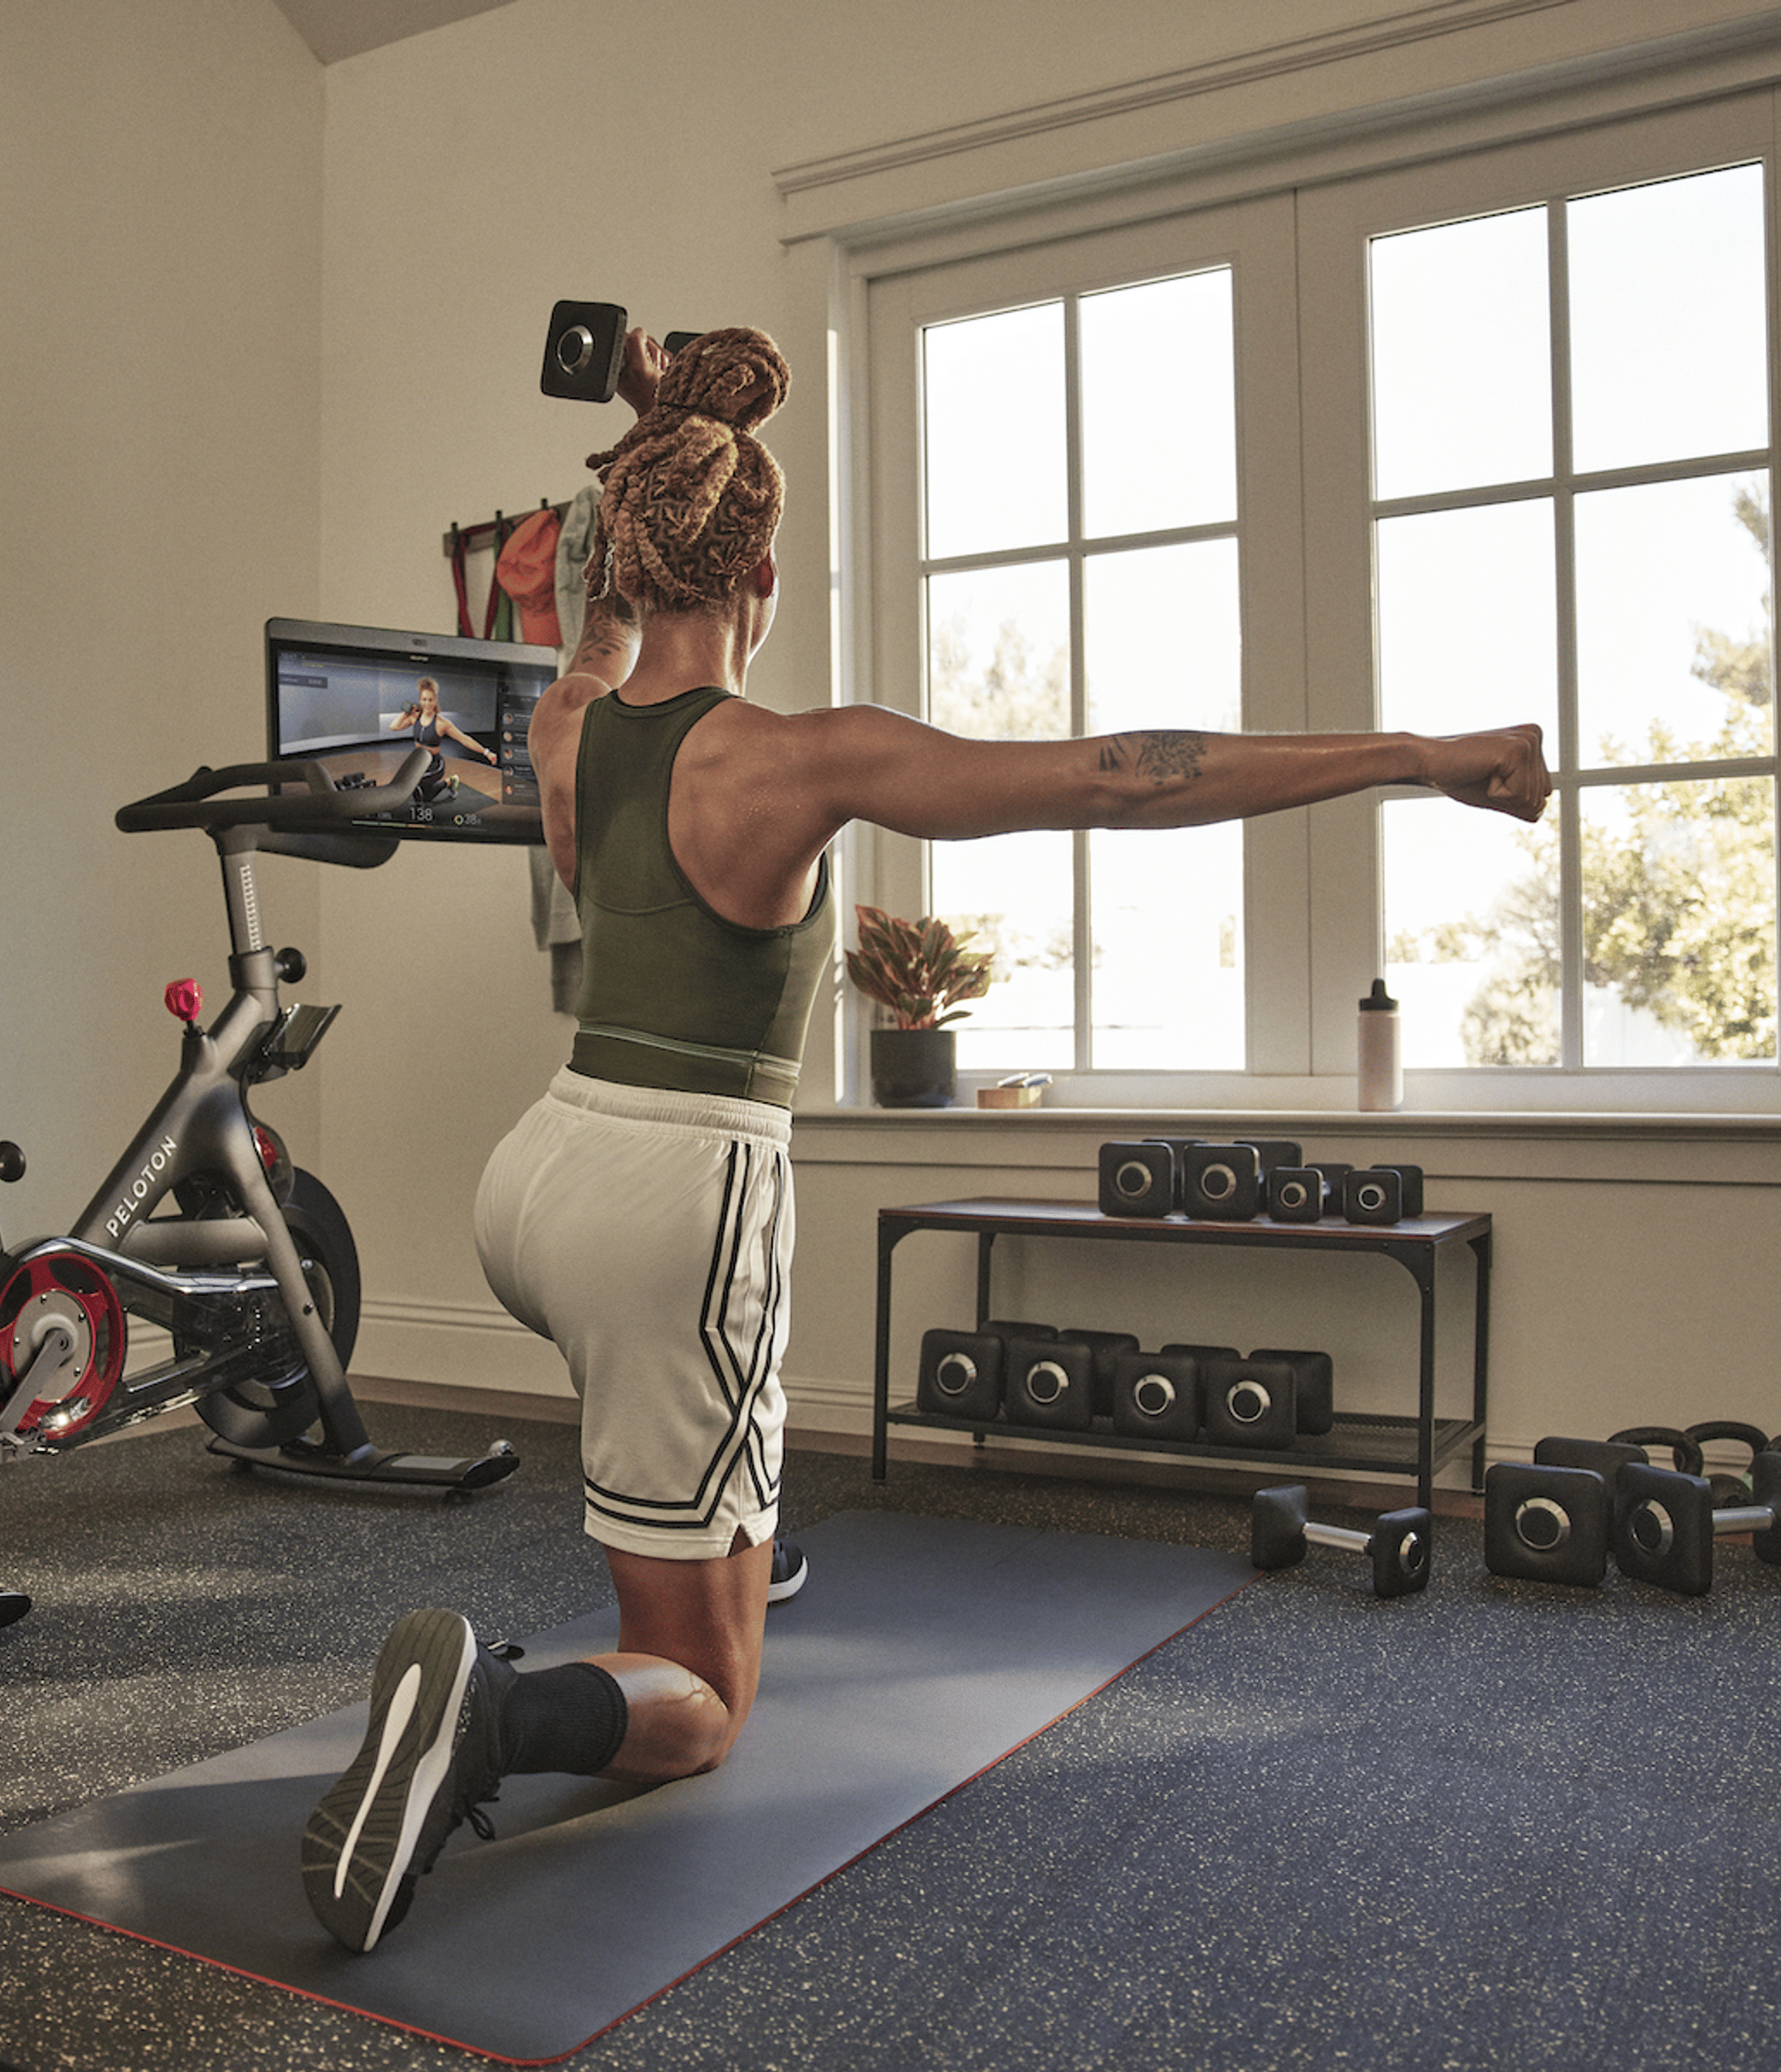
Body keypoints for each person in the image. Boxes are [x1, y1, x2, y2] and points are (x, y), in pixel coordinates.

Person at [300, 325, 1549, 1954]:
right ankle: (488, 1713)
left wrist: (656, 434)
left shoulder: (571, 726)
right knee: (708, 1692)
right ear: (758, 568)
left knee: (705, 1517)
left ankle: (707, 1539)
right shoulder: (794, 756)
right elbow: (1117, 779)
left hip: (539, 1175)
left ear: (623, 556)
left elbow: (599, 622)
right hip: (676, 1203)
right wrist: (1417, 758)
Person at [385, 675, 500, 805]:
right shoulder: (414, 718)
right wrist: (406, 712)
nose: (427, 703)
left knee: (412, 781)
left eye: (430, 700)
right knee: (427, 796)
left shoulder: (442, 724)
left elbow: (464, 739)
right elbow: (394, 727)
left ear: (435, 701)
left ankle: (419, 811)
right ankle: (450, 782)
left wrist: (486, 752)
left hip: (434, 764)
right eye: (424, 700)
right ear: (419, 701)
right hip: (418, 762)